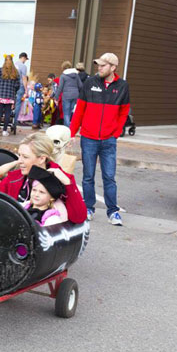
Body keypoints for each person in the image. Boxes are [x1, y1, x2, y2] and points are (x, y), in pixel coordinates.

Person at [69, 52, 130, 225]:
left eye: (103, 65)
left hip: (108, 140)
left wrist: (115, 133)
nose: (99, 68)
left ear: (113, 67)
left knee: (109, 177)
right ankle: (88, 208)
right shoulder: (90, 82)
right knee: (88, 176)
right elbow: (80, 109)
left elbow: (124, 111)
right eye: (99, 65)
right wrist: (72, 133)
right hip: (88, 138)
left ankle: (113, 212)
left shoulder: (123, 86)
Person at [0, 133, 88, 224]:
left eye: (25, 157)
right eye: (20, 155)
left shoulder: (62, 179)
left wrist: (68, 184)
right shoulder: (16, 177)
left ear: (42, 159)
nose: (20, 161)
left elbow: (79, 217)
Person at [0, 54, 21, 137]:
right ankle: (5, 131)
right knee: (8, 113)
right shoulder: (15, 72)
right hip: (10, 96)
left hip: (0, 95)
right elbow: (17, 85)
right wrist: (13, 91)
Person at [55, 61, 83, 127]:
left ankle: (67, 128)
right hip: (75, 95)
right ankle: (72, 127)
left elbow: (60, 87)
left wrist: (56, 97)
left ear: (63, 68)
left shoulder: (63, 76)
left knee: (66, 113)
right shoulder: (76, 75)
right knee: (71, 112)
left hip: (66, 95)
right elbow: (81, 85)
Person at [13, 52, 30, 123]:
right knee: (18, 104)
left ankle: (8, 119)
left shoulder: (13, 65)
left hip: (12, 87)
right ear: (23, 58)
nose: (25, 61)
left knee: (11, 103)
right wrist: (26, 90)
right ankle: (15, 121)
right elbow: (24, 78)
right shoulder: (23, 66)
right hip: (20, 87)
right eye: (25, 59)